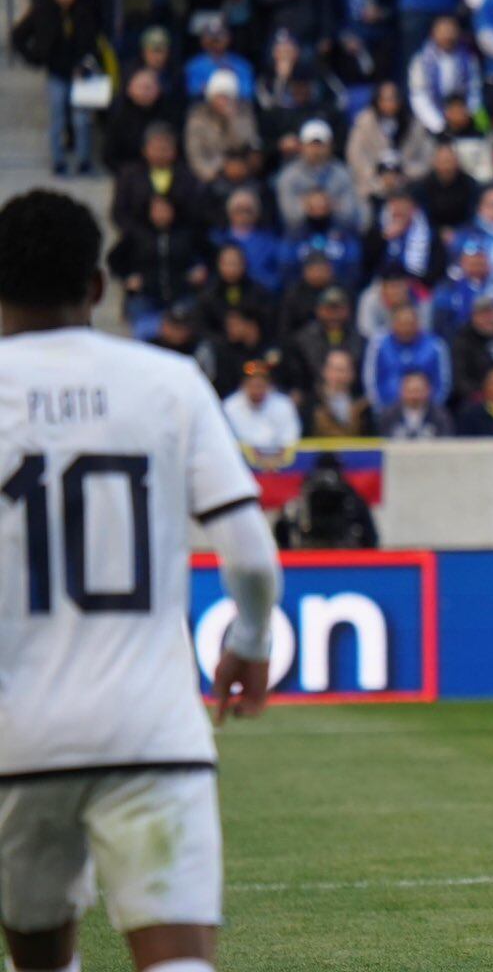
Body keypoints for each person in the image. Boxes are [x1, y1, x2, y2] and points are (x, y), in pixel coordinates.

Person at [0, 189, 282, 972]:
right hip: (151, 731)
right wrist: (251, 639)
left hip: (17, 738)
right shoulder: (168, 382)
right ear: (98, 285)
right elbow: (251, 555)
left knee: (41, 962)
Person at [222, 359, 303, 453]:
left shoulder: (283, 405)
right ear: (244, 384)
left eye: (260, 384)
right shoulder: (230, 407)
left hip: (279, 462)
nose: (257, 389)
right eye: (253, 384)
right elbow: (227, 439)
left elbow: (291, 438)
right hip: (241, 460)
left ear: (268, 385)